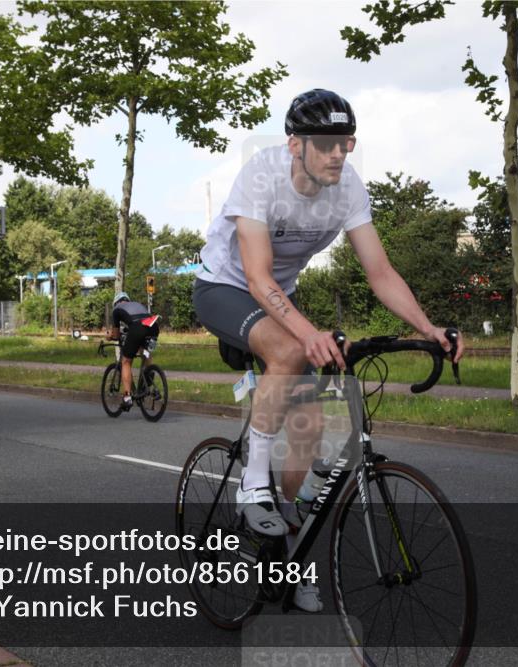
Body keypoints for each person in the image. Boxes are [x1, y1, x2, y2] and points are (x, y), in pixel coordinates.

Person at [192, 89, 465, 612]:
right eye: (326, 144)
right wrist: (308, 335)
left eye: (347, 143)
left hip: (279, 295)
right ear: (295, 145)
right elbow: (255, 275)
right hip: (226, 288)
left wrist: (428, 328)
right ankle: (252, 486)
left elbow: (380, 273)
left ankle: (289, 560)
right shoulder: (261, 177)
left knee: (312, 428)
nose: (339, 154)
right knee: (293, 352)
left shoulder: (348, 189)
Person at [109, 292, 160, 411]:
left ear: (116, 303)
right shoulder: (136, 304)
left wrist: (110, 336)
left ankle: (127, 398)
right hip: (153, 326)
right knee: (145, 353)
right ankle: (147, 378)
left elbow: (116, 335)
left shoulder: (117, 310)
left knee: (126, 361)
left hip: (138, 328)